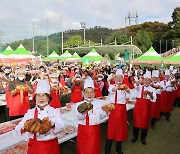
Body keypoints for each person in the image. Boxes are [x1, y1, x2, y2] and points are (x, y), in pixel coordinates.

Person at [15, 80, 65, 154]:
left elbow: (62, 127)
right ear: (35, 98)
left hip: (50, 147)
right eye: (38, 95)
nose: (41, 98)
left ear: (48, 98)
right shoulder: (30, 112)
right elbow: (18, 129)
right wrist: (24, 127)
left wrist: (52, 124)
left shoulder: (54, 111)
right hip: (34, 147)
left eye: (44, 95)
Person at [75, 78, 106, 154]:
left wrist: (107, 111)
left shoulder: (99, 103)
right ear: (83, 93)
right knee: (83, 150)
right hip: (83, 131)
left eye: (92, 92)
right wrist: (83, 112)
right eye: (87, 92)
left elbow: (103, 115)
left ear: (94, 93)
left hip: (95, 130)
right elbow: (79, 117)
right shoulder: (78, 105)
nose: (90, 94)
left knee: (94, 149)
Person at [105, 69, 131, 154]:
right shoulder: (112, 86)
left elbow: (129, 93)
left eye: (120, 77)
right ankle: (107, 149)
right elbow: (111, 90)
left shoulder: (125, 87)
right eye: (117, 77)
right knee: (111, 130)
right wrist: (117, 88)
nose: (119, 79)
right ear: (114, 78)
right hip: (113, 109)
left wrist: (126, 90)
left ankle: (118, 148)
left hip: (122, 110)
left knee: (120, 130)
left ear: (123, 79)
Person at [132, 71, 156, 145]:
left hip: (147, 108)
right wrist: (138, 81)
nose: (146, 81)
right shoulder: (140, 87)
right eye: (145, 79)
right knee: (136, 123)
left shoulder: (152, 89)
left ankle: (143, 138)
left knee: (145, 124)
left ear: (150, 81)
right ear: (143, 80)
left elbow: (154, 99)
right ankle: (135, 137)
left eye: (148, 80)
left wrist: (150, 95)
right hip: (138, 107)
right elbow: (135, 85)